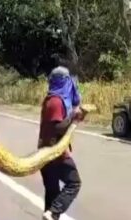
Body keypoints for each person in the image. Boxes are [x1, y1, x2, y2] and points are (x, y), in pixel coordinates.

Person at [38, 66, 84, 220]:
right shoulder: (56, 102)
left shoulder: (52, 99)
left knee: (52, 194)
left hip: (46, 154)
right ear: (64, 82)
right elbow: (58, 127)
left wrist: (74, 117)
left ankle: (51, 213)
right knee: (74, 183)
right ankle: (54, 212)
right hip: (55, 154)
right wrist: (73, 117)